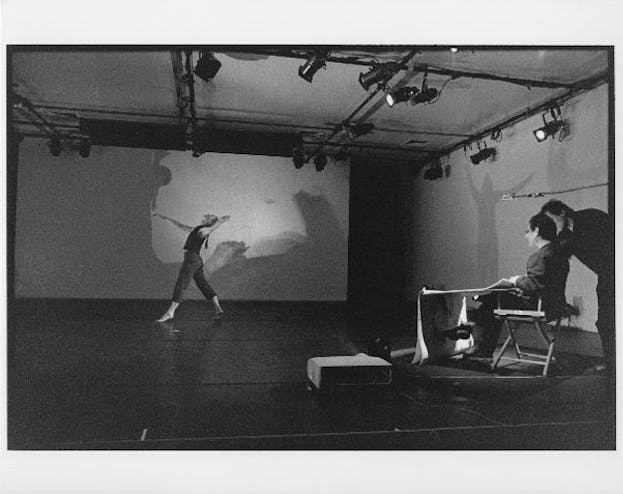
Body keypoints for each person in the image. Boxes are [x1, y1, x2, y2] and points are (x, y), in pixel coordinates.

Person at [468, 213, 570, 359]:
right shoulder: (559, 254)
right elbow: (542, 283)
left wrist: (516, 281)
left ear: (537, 231)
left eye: (528, 231)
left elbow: (533, 284)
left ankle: (480, 345)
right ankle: (477, 337)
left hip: (539, 306)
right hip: (555, 305)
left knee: (493, 300)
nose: (526, 236)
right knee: (494, 300)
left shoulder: (540, 256)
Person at [540, 199, 614, 374]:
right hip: (607, 277)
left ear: (562, 213)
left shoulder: (591, 217)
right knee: (605, 322)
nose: (552, 225)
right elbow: (559, 266)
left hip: (615, 271)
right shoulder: (564, 237)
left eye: (552, 220)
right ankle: (613, 365)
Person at [155, 212, 230, 322]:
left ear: (210, 223)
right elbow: (180, 225)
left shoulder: (204, 230)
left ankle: (170, 312)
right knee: (203, 284)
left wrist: (220, 221)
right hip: (196, 260)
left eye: (209, 217)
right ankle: (218, 308)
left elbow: (212, 228)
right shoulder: (197, 229)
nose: (206, 216)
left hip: (192, 259)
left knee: (182, 283)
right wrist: (166, 217)